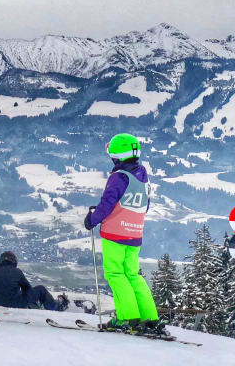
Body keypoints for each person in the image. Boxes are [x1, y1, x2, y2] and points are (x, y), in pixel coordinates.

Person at [84, 133, 163, 333]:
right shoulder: (143, 175)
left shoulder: (119, 177)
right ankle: (150, 318)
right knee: (133, 274)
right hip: (135, 233)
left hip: (115, 234)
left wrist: (92, 220)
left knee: (116, 274)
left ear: (118, 154)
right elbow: (145, 205)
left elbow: (107, 204)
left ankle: (127, 318)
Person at [0, 251, 68, 311]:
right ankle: (56, 308)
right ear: (14, 260)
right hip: (16, 304)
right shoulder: (17, 271)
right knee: (41, 289)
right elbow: (28, 289)